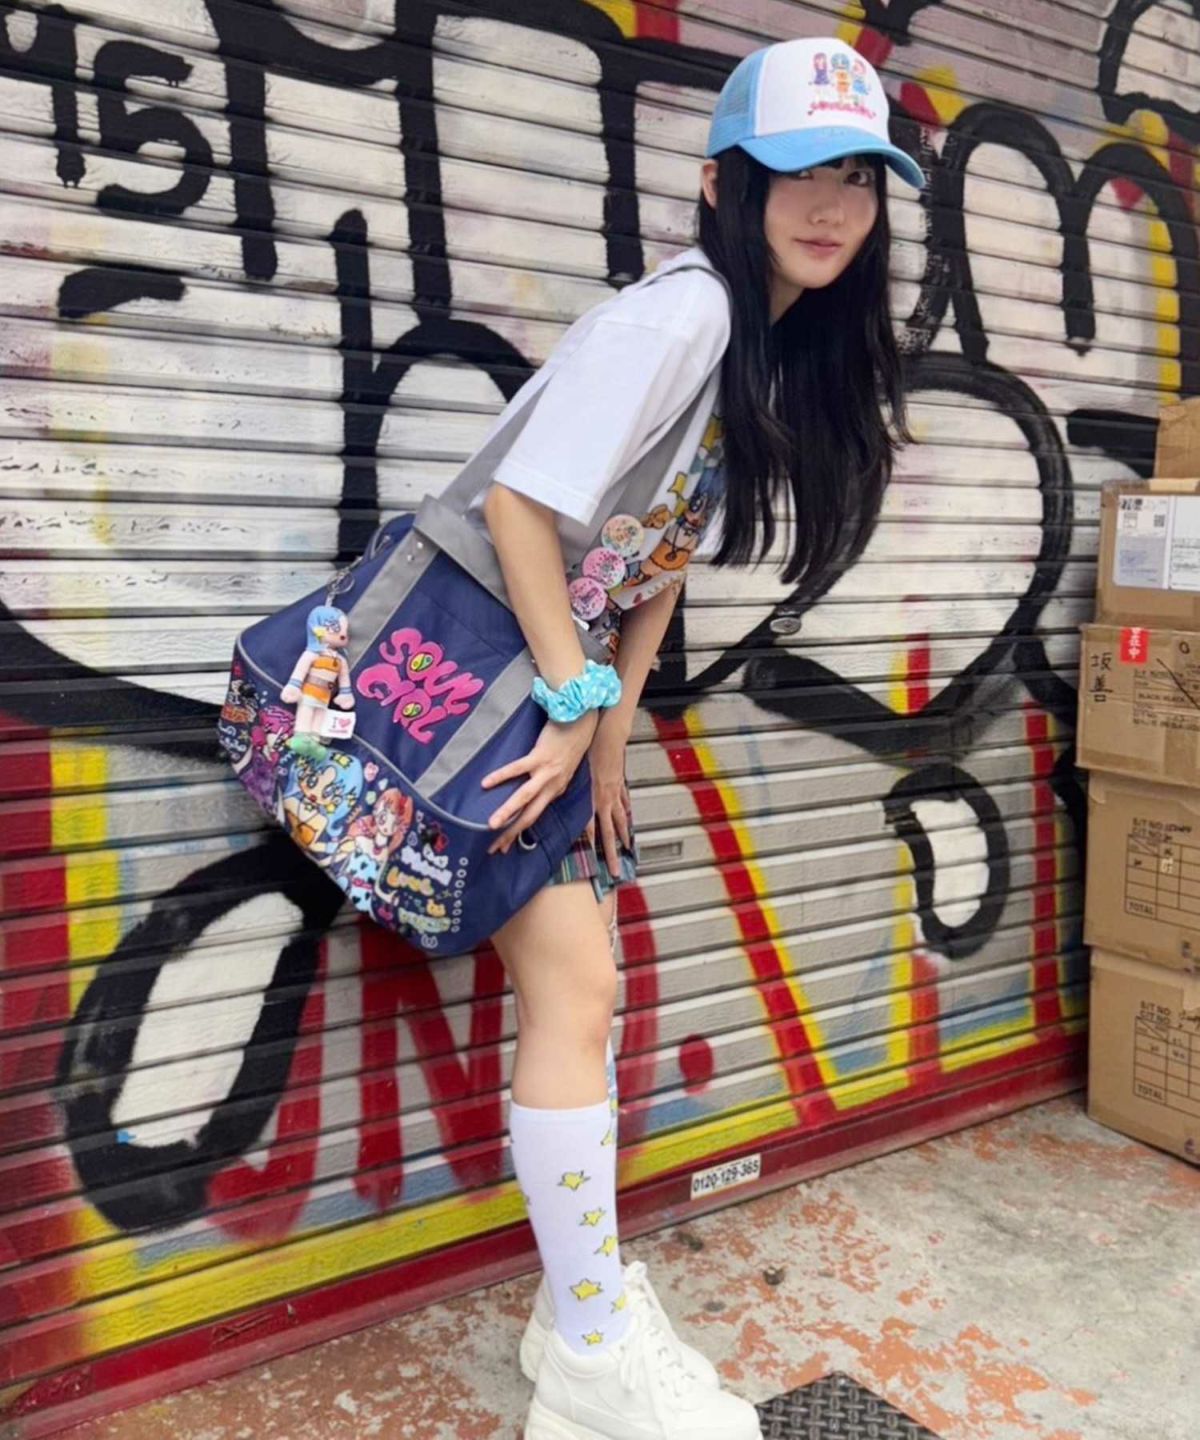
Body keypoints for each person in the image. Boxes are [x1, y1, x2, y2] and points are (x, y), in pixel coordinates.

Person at [473, 35, 924, 1440]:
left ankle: (577, 1317)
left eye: (859, 176)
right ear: (727, 182)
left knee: (577, 999)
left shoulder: (760, 344)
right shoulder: (687, 315)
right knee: (581, 996)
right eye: (799, 170)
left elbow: (657, 557)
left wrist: (609, 737)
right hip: (486, 681)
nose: (832, 204)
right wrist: (572, 705)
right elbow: (516, 504)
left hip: (546, 690)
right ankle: (590, 1356)